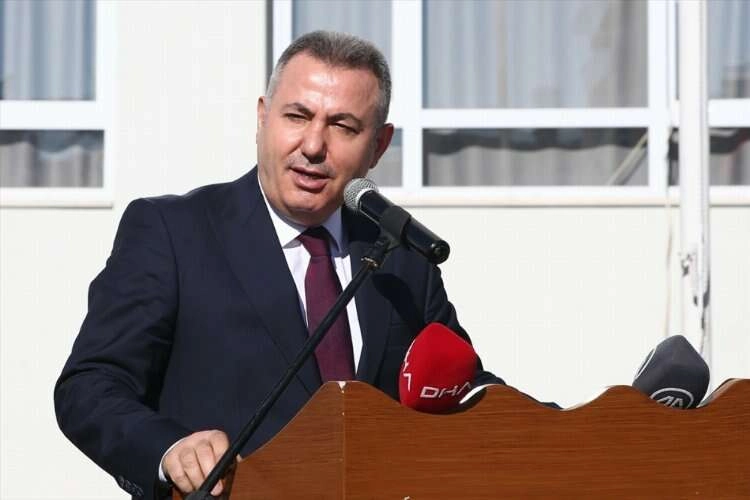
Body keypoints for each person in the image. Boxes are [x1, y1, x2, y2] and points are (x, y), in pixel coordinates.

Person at [54, 31, 503, 499]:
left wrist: (545, 428)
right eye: (297, 116)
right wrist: (168, 450)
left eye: (343, 126)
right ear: (263, 117)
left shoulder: (399, 254)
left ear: (379, 145)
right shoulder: (173, 232)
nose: (313, 145)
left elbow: (461, 387)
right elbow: (90, 387)